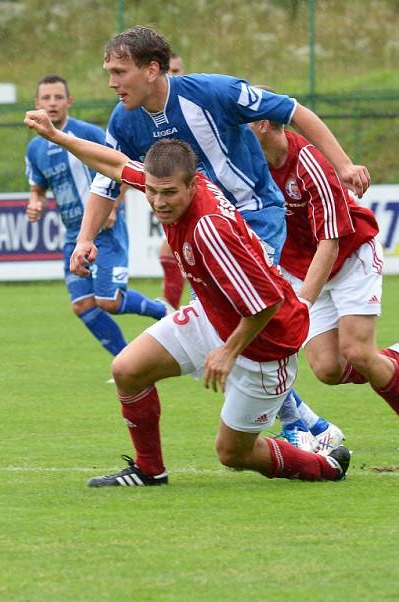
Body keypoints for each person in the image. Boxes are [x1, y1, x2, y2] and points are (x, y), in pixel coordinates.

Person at [24, 108, 352, 485]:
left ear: (193, 186)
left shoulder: (209, 229)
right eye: (151, 191)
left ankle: (324, 466)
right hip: (214, 317)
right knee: (127, 370)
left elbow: (268, 302)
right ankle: (149, 471)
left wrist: (228, 352)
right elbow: (114, 163)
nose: (159, 202)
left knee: (234, 453)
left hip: (266, 344)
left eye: (168, 194)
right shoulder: (169, 180)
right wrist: (58, 137)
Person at [77, 25, 368, 450]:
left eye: (120, 71)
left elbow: (293, 111)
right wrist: (87, 237)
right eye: (109, 72)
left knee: (230, 324)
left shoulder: (214, 92)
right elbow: (110, 177)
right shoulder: (124, 120)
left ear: (153, 69)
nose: (112, 82)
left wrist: (342, 164)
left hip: (255, 219)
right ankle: (305, 422)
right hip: (199, 233)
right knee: (223, 328)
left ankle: (301, 426)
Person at [250, 115, 399, 450]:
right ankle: (395, 363)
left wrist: (303, 303)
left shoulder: (308, 163)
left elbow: (331, 241)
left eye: (240, 122)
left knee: (357, 351)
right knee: (327, 369)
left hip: (351, 257)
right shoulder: (246, 164)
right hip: (302, 268)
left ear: (263, 124)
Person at [25, 75, 168, 364]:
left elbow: (121, 168)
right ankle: (126, 361)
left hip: (105, 229)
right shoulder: (35, 148)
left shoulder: (87, 133)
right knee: (83, 306)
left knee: (109, 301)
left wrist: (113, 206)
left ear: (69, 101)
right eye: (46, 98)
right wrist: (35, 203)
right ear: (37, 104)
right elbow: (38, 188)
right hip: (72, 235)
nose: (52, 103)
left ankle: (162, 311)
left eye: (57, 97)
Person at [158, 52, 188, 309]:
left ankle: (169, 313)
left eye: (176, 70)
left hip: (208, 197)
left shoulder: (192, 108)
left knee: (170, 252)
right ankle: (172, 314)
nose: (171, 75)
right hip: (179, 195)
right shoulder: (151, 115)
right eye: (167, 70)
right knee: (170, 252)